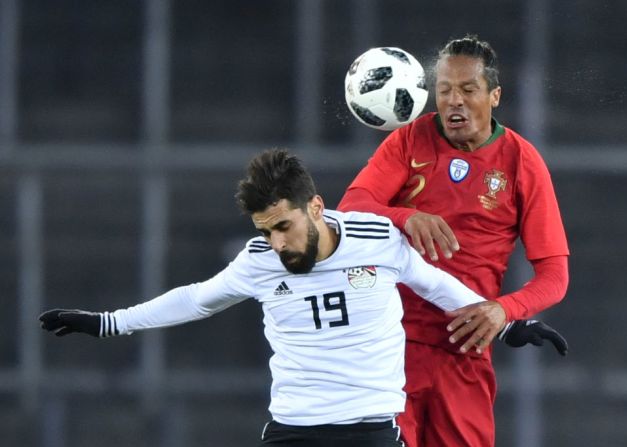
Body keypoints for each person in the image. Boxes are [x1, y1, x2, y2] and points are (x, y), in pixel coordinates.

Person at [40, 149, 566, 447]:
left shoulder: (377, 238)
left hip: (372, 433)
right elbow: (197, 299)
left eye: (285, 227)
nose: (278, 243)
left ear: (316, 207)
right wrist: (109, 322)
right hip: (294, 432)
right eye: (266, 231)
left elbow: (436, 285)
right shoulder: (261, 260)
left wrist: (511, 324)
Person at [338, 35, 570, 447]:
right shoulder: (410, 140)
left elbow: (554, 274)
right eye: (444, 90)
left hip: (464, 351)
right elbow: (352, 207)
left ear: (494, 95)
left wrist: (504, 311)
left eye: (467, 90)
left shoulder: (521, 161)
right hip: (391, 346)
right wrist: (405, 216)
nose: (453, 101)